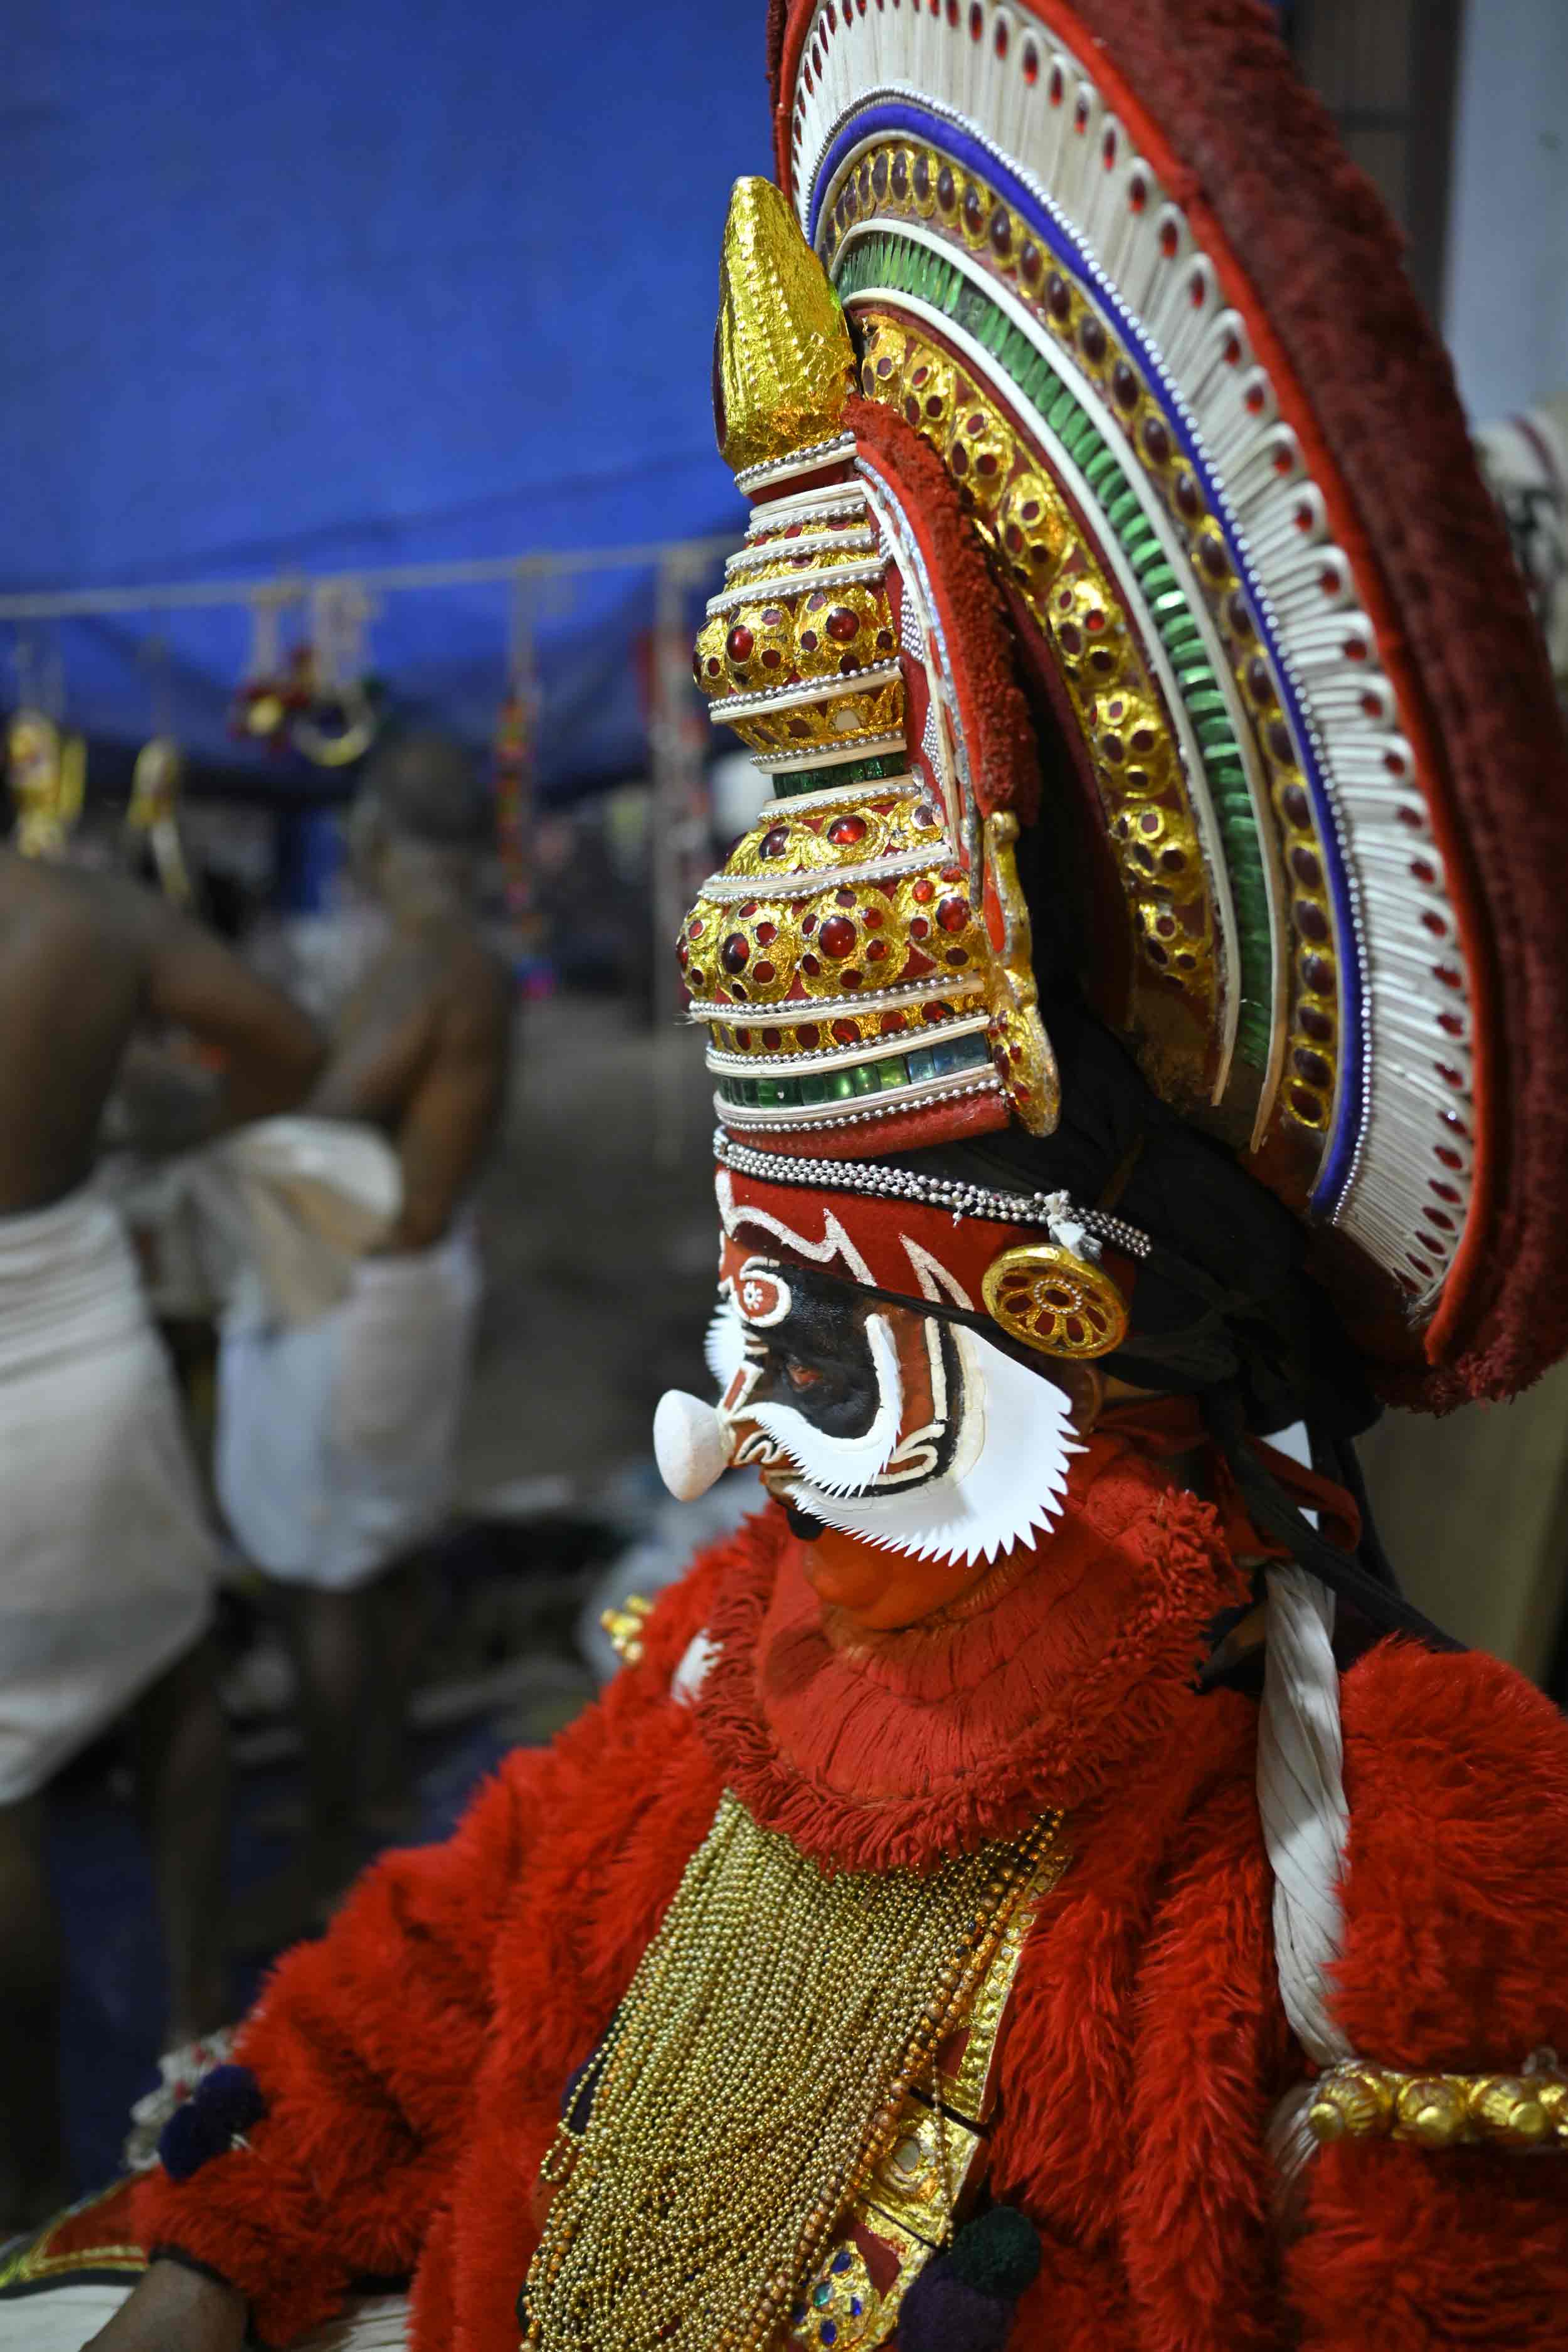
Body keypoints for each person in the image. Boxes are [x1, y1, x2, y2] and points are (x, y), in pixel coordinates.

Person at [14, 4, 1568, 2345]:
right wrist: (219, 2258)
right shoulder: (759, 1629)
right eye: (748, 1326)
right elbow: (434, 1959)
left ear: (1056, 1326)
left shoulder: (1377, 1841)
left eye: (814, 1336)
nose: (717, 1427)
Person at [0, 845, 324, 2238]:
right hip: (80, 1319)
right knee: (172, 1671)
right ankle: (200, 2021)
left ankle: (26, 2172)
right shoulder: (77, 909)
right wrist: (169, 1138)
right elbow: (287, 1046)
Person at [214, 733, 511, 1918]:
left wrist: (235, 1069)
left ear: (377, 839)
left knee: (327, 1576)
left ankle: (337, 1852)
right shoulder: (458, 960)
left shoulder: (430, 963)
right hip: (412, 1278)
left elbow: (329, 1116)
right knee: (373, 1556)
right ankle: (374, 1795)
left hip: (374, 1293)